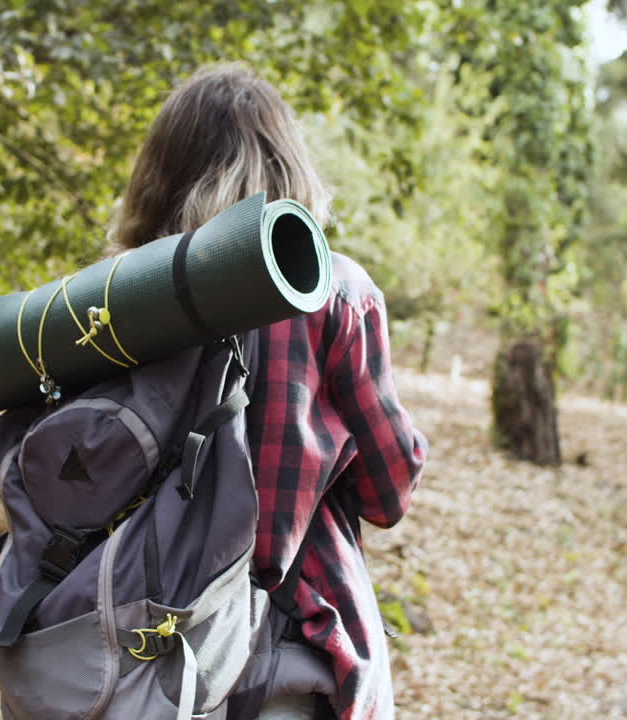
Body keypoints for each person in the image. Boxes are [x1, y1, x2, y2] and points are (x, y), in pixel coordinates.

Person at [112, 65, 428, 720]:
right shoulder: (334, 293)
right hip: (285, 651)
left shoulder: (110, 299)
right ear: (287, 165)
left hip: (123, 646)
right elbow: (387, 491)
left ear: (160, 174)